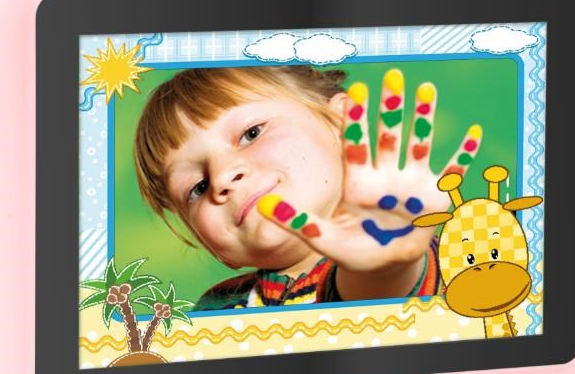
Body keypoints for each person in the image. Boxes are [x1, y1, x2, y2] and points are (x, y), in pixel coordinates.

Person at [133, 65, 481, 309]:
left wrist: (383, 265)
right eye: (197, 187)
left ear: (341, 124)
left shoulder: (397, 256)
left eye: (251, 133)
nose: (222, 176)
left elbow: (373, 290)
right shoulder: (213, 308)